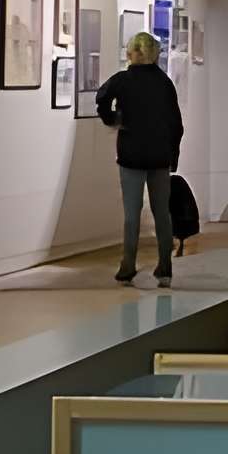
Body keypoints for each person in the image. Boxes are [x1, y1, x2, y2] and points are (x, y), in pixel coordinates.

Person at [94, 30, 184, 285]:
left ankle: (128, 264)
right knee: (161, 212)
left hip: (131, 153)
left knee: (132, 213)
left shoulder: (122, 80)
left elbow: (101, 99)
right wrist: (173, 154)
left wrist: (112, 119)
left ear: (131, 52)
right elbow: (176, 123)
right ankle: (165, 266)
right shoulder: (164, 82)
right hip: (159, 155)